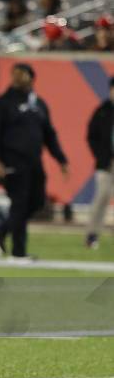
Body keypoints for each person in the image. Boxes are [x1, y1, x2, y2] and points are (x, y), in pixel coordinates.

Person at [0, 63, 69, 261]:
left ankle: (1, 227)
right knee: (20, 203)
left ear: (32, 78)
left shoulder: (39, 104)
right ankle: (18, 252)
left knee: (37, 202)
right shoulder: (2, 103)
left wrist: (61, 159)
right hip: (12, 161)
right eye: (14, 74)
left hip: (34, 162)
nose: (16, 78)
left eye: (21, 74)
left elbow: (49, 134)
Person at [85, 77, 113, 249]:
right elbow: (91, 136)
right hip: (106, 163)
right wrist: (101, 155)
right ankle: (92, 234)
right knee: (101, 198)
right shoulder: (102, 111)